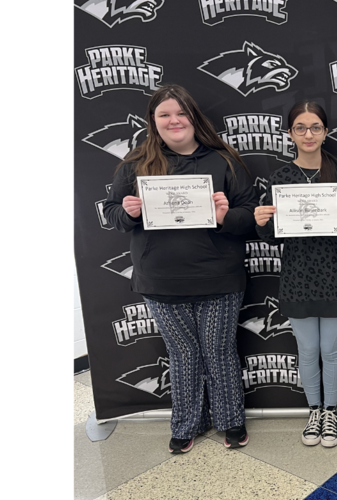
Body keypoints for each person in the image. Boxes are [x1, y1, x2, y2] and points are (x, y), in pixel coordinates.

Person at [102, 84, 258, 454]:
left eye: (181, 113)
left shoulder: (224, 161)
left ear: (194, 117)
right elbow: (112, 215)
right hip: (160, 279)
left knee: (219, 351)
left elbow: (250, 217)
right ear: (153, 122)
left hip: (219, 277)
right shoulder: (134, 165)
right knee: (183, 354)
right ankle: (186, 423)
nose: (174, 121)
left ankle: (231, 421)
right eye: (164, 115)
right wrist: (128, 212)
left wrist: (225, 215)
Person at [253, 101, 337, 448]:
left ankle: (330, 412)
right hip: (298, 277)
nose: (308, 134)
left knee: (330, 350)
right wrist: (261, 224)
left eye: (315, 127)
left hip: (335, 275)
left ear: (325, 132)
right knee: (307, 348)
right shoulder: (280, 179)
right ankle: (313, 410)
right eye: (300, 127)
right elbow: (272, 237)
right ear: (290, 134)